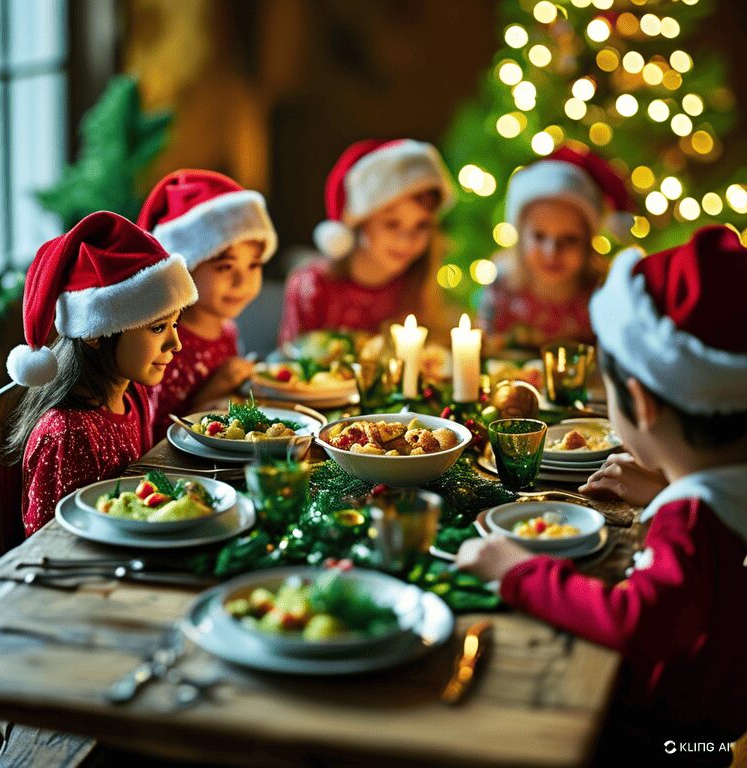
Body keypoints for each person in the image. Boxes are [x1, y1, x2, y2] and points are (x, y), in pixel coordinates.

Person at [458, 225, 747, 766]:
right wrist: (666, 488)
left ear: (640, 402)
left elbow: (634, 621)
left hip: (662, 740)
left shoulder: (692, 521)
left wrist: (516, 570)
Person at [3, 211, 197, 536]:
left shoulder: (135, 394)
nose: (175, 343)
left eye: (175, 323)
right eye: (158, 327)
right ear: (96, 333)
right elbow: (50, 544)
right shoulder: (67, 436)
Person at [137, 169, 277, 441]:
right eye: (225, 266)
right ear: (184, 266)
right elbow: (151, 441)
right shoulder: (165, 345)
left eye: (254, 265)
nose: (242, 280)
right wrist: (215, 390)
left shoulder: (227, 331)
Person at [278, 139, 456, 345]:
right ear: (360, 223)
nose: (407, 239)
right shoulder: (311, 287)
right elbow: (289, 362)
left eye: (422, 225)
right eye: (392, 224)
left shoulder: (420, 286)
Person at [478, 146, 634, 352]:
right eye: (539, 236)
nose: (552, 252)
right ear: (520, 236)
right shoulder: (502, 288)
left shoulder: (601, 294)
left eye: (569, 240)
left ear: (588, 242)